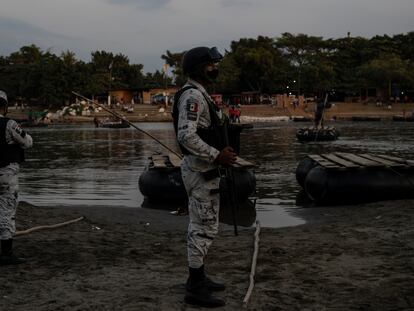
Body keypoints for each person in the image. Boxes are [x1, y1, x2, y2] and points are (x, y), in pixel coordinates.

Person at [172, 47, 237, 308]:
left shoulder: (200, 94)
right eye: (210, 64)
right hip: (200, 171)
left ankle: (198, 276)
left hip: (204, 169)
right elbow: (185, 135)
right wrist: (215, 154)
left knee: (205, 226)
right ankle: (195, 286)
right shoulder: (192, 97)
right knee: (203, 228)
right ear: (198, 67)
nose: (215, 68)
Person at [0, 90, 33, 265]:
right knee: (6, 211)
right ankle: (6, 254)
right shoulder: (10, 124)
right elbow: (27, 142)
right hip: (6, 173)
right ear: (4, 107)